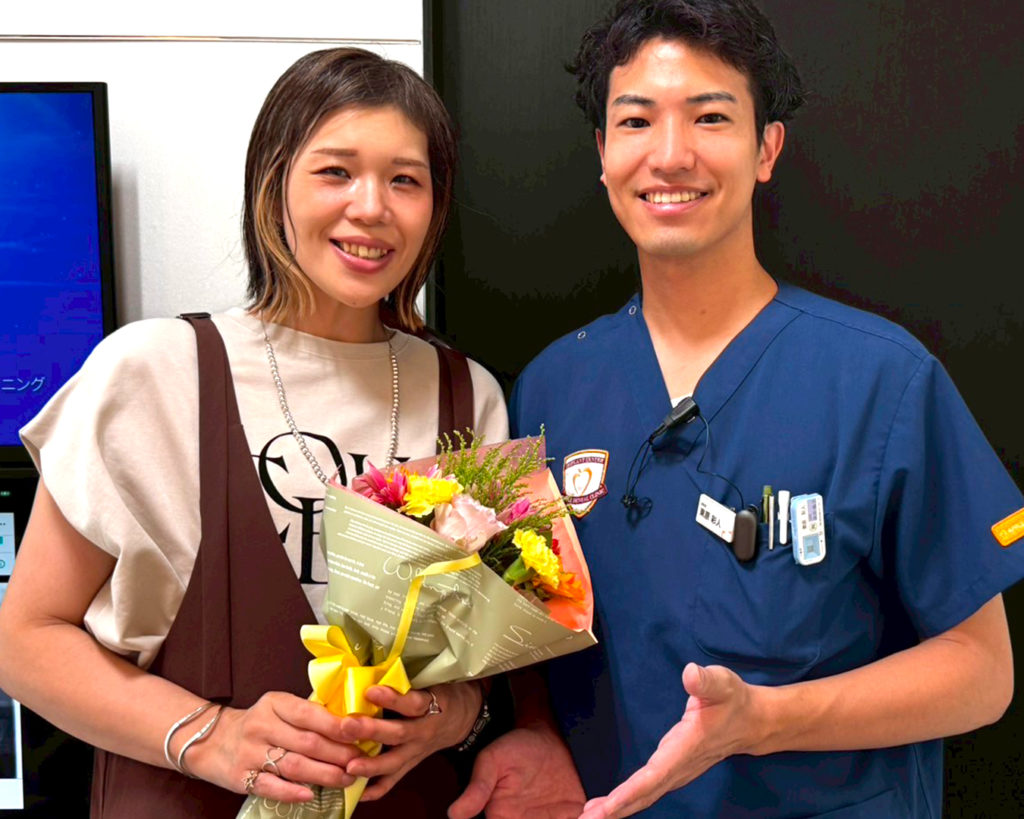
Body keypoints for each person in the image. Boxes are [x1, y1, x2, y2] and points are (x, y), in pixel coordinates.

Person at [503, 1, 1024, 816]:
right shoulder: (548, 391)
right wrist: (533, 729)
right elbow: (526, 632)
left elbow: (984, 672)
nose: (670, 154)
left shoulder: (882, 381)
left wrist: (766, 720)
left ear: (766, 148)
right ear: (603, 153)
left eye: (710, 117)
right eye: (636, 120)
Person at [0, 47, 508, 818]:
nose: (371, 206)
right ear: (272, 186)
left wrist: (450, 715)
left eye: (405, 180)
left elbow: (485, 670)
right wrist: (212, 736)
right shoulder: (154, 370)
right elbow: (24, 639)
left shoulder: (469, 396)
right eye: (336, 171)